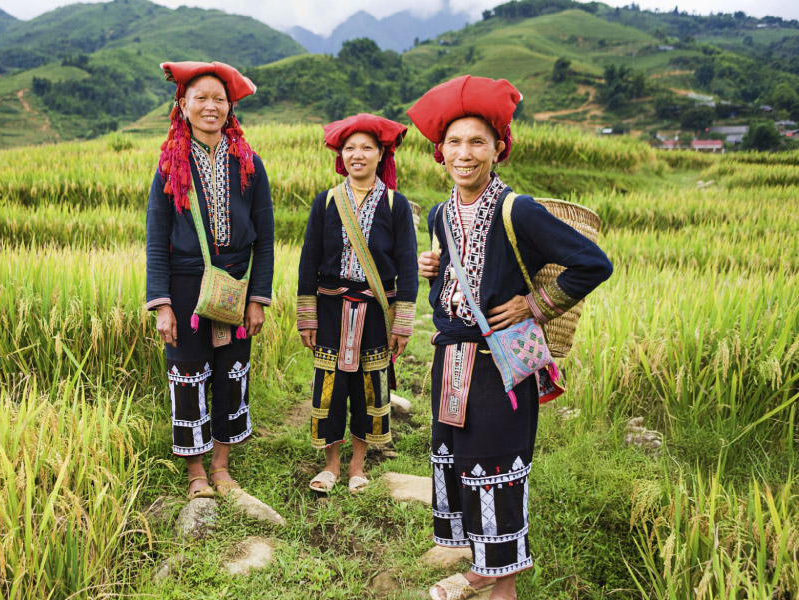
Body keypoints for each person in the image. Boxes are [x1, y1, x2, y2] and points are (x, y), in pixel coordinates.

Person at [407, 76, 612, 600]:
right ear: (440, 150)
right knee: (460, 463)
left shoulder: (516, 210)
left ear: (499, 148)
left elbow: (593, 263)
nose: (465, 153)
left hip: (500, 366)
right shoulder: (439, 212)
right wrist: (434, 271)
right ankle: (482, 565)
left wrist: (534, 304)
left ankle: (504, 587)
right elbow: (455, 288)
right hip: (451, 361)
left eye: (477, 141)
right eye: (454, 141)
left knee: (498, 469)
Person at [146, 61, 274, 500]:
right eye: (200, 98)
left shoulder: (250, 165)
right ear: (182, 106)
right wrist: (162, 304)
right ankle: (196, 469)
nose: (210, 106)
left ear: (230, 108)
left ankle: (221, 464)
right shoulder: (170, 166)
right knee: (188, 372)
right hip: (185, 288)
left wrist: (257, 298)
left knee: (232, 371)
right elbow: (156, 238)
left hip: (235, 286)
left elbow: (267, 238)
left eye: (219, 99)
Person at [296, 113, 418, 494]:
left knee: (369, 387)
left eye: (367, 147)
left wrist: (402, 323)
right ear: (341, 155)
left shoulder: (397, 206)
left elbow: (408, 267)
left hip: (376, 311)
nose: (358, 155)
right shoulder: (326, 202)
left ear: (381, 153)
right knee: (330, 388)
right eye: (350, 148)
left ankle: (358, 464)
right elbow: (309, 261)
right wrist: (307, 317)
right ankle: (331, 464)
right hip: (331, 308)